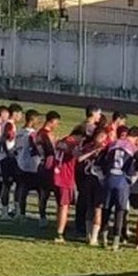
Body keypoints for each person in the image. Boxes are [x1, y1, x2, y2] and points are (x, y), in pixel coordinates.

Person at [102, 125, 137, 251]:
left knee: (106, 209)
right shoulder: (133, 148)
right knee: (120, 211)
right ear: (136, 137)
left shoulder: (113, 143)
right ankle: (116, 241)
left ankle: (104, 238)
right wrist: (132, 179)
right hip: (122, 181)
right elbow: (136, 166)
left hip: (109, 178)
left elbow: (102, 160)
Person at [52, 126, 86, 243]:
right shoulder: (72, 143)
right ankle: (60, 233)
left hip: (56, 174)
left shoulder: (62, 141)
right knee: (64, 206)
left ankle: (59, 228)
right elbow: (77, 156)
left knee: (59, 205)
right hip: (65, 177)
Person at [75, 105, 102, 236]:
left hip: (79, 165)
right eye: (99, 113)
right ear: (93, 113)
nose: (100, 116)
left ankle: (79, 224)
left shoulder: (79, 126)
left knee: (82, 195)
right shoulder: (92, 129)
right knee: (87, 197)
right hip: (86, 165)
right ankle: (84, 226)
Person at [79, 127, 109, 246]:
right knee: (91, 207)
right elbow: (79, 159)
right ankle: (89, 235)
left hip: (99, 180)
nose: (102, 140)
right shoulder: (89, 147)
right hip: (90, 179)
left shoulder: (106, 149)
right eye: (100, 137)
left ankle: (94, 237)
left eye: (104, 137)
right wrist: (93, 152)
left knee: (97, 208)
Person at [14, 109, 42, 221]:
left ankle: (20, 213)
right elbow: (36, 149)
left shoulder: (19, 132)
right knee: (40, 190)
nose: (38, 122)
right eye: (37, 120)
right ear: (32, 119)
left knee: (22, 189)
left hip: (20, 163)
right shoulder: (32, 134)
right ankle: (42, 215)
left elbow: (15, 148)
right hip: (32, 165)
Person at [35, 111, 61, 228]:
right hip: (48, 166)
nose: (57, 125)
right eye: (56, 123)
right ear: (52, 121)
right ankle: (58, 219)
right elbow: (50, 152)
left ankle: (42, 217)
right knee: (55, 192)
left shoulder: (39, 133)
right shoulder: (46, 134)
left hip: (41, 164)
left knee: (43, 193)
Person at [0, 120, 19, 221]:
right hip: (7, 163)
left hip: (6, 162)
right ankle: (6, 211)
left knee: (9, 186)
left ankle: (9, 210)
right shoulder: (6, 140)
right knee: (7, 186)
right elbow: (8, 152)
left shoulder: (4, 139)